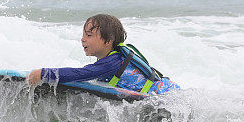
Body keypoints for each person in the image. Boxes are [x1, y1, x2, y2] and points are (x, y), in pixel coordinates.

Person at [27, 14, 180, 95]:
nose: (82, 39)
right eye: (83, 35)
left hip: (164, 96)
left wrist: (44, 74)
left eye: (89, 35)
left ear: (108, 41)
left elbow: (81, 74)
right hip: (166, 91)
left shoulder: (112, 62)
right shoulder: (112, 59)